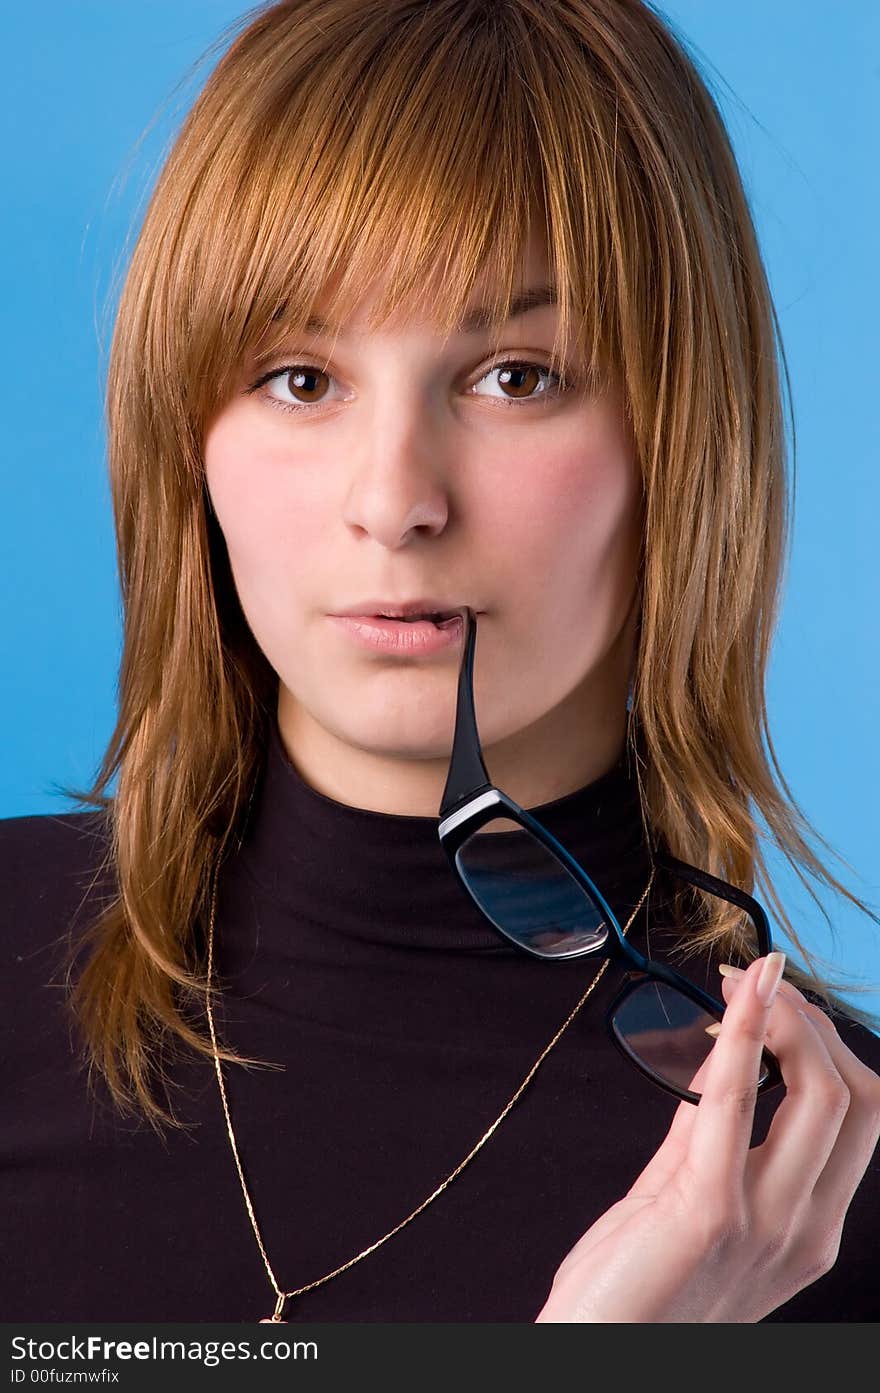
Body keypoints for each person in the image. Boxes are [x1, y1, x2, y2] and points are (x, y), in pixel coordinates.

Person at [2, 0, 878, 1324]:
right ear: (186, 439)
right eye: (301, 379)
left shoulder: (819, 1203)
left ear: (684, 443)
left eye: (517, 375)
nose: (397, 500)